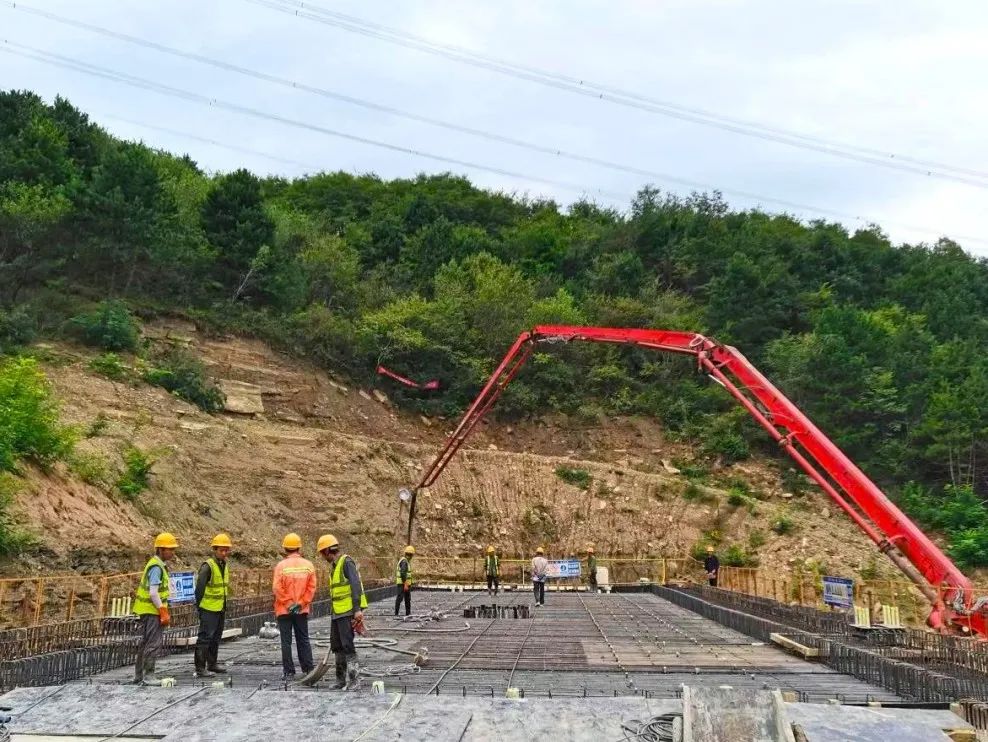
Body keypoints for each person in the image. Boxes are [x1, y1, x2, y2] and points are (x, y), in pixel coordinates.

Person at [317, 534, 367, 689]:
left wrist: (357, 610)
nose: (321, 556)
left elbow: (355, 586)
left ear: (326, 551)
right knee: (337, 645)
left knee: (347, 646)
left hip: (347, 612)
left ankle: (354, 681)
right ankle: (340, 680)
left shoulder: (346, 562)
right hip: (337, 613)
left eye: (321, 553)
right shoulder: (335, 566)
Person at [133, 532, 178, 685]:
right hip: (152, 611)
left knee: (145, 643)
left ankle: (139, 676)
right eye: (169, 549)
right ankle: (148, 676)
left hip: (149, 610)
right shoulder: (156, 567)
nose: (172, 552)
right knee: (153, 643)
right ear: (160, 549)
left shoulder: (157, 565)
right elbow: (153, 592)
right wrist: (162, 610)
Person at [273, 532, 316, 681]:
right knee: (303, 639)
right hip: (301, 610)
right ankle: (308, 668)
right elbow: (311, 588)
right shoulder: (308, 566)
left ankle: (289, 671)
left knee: (286, 641)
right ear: (299, 548)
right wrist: (300, 603)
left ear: (285, 549)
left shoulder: (281, 566)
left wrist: (288, 603)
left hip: (284, 610)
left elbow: (277, 588)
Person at [194, 533, 232, 677]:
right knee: (205, 638)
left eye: (226, 550)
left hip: (220, 607)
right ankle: (200, 667)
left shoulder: (224, 565)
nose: (224, 553)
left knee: (216, 637)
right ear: (215, 550)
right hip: (208, 608)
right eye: (221, 550)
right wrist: (200, 607)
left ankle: (212, 663)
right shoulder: (208, 566)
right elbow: (199, 589)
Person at [395, 545, 415, 617]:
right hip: (402, 584)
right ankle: (396, 614)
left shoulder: (405, 561)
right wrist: (405, 584)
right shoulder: (404, 562)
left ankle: (408, 613)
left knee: (407, 599)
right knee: (400, 598)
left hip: (404, 584)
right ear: (410, 555)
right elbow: (403, 573)